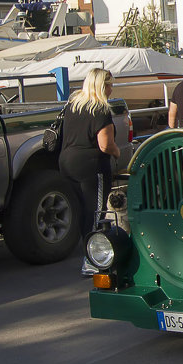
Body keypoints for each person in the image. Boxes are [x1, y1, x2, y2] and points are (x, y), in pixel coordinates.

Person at [59, 68, 121, 238]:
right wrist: (117, 152)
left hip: (67, 162)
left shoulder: (74, 105)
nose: (111, 89)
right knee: (95, 212)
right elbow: (105, 145)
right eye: (110, 85)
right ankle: (92, 255)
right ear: (103, 87)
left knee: (79, 209)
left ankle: (84, 244)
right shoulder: (100, 110)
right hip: (91, 166)